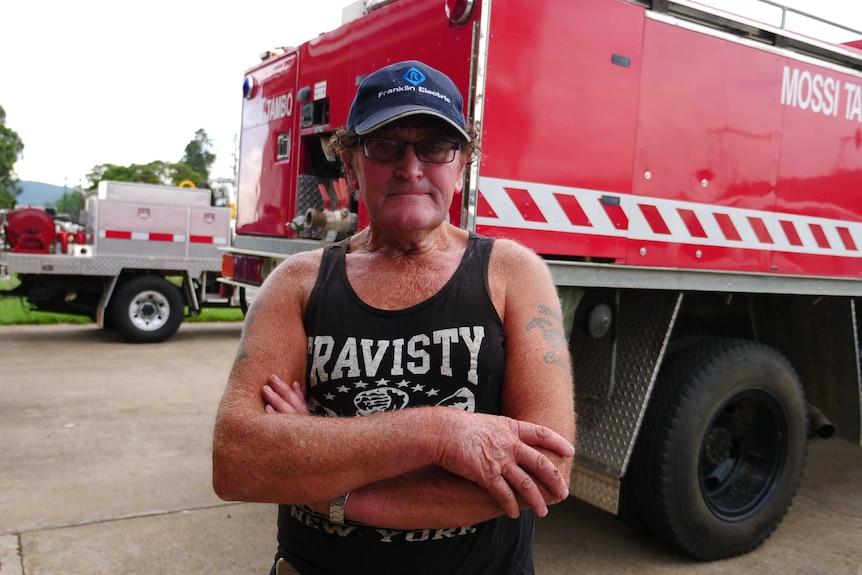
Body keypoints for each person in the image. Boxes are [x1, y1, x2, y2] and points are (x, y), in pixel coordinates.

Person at [212, 59, 576, 575]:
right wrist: (442, 433)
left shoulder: (512, 274)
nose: (411, 167)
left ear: (463, 161)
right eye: (385, 146)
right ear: (351, 163)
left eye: (434, 146)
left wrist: (326, 486)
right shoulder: (299, 283)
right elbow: (238, 461)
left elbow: (545, 472)